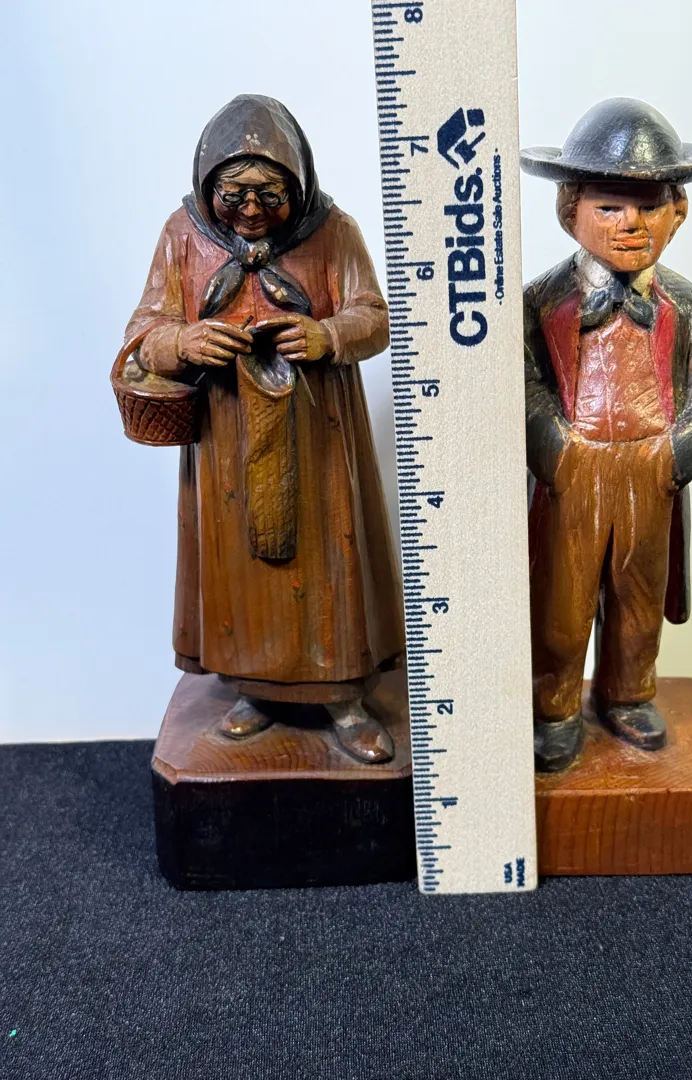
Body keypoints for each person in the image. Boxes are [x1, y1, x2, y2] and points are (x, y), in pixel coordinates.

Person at [116, 94, 404, 763]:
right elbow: (145, 327)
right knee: (238, 568)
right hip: (227, 435)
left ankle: (343, 696)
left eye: (270, 195)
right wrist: (183, 341)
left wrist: (327, 334)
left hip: (317, 432)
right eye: (233, 194)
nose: (250, 209)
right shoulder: (183, 235)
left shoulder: (333, 231)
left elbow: (374, 315)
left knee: (328, 563)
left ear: (297, 184)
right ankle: (253, 688)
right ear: (207, 185)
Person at [521, 98, 692, 771]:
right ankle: (554, 701)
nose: (629, 223)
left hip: (651, 469)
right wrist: (558, 451)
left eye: (647, 206)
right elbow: (526, 382)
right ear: (569, 211)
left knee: (638, 595)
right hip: (571, 473)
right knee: (561, 600)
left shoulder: (688, 306)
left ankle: (629, 693)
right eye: (608, 207)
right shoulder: (539, 303)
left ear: (678, 212)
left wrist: (675, 454)